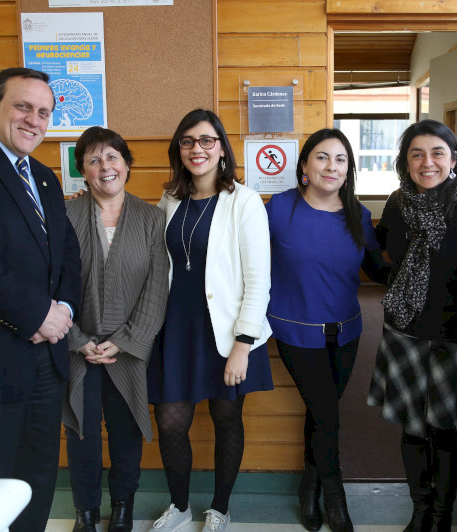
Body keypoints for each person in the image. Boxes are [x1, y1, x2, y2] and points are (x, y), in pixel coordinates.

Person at [0, 67, 82, 531]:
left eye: (43, 112)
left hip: (46, 361)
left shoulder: (44, 177)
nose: (34, 120)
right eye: (23, 106)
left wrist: (63, 310)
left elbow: (67, 252)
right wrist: (36, 313)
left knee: (36, 478)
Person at [147, 109, 273, 532]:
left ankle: (219, 507)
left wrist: (243, 345)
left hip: (226, 330)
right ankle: (179, 506)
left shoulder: (244, 200)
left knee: (226, 418)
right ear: (178, 150)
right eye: (187, 141)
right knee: (170, 421)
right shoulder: (169, 200)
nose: (196, 149)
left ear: (222, 148)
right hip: (175, 328)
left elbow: (259, 281)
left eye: (206, 140)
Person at [265, 128, 387, 532]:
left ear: (349, 170)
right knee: (328, 415)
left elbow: (373, 267)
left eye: (340, 160)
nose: (330, 167)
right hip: (296, 330)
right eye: (322, 157)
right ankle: (335, 498)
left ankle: (309, 484)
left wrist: (418, 273)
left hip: (347, 332)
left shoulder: (359, 214)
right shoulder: (277, 209)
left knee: (322, 413)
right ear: (304, 166)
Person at [367, 120, 457, 532]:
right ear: (405, 162)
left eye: (437, 152)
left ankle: (442, 516)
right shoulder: (398, 203)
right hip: (402, 330)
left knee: (441, 428)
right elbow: (380, 260)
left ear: (454, 158)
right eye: (416, 154)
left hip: (449, 334)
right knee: (412, 429)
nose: (427, 162)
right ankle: (419, 510)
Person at [62, 127, 169, 532]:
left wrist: (124, 342)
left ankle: (123, 507)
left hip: (128, 350)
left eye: (112, 157)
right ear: (83, 171)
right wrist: (78, 339)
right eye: (93, 160)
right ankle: (85, 512)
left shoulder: (151, 217)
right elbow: (50, 282)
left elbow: (157, 287)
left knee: (125, 433)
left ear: (126, 164)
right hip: (77, 348)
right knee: (81, 433)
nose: (104, 166)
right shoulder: (66, 214)